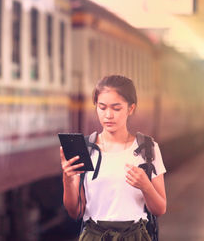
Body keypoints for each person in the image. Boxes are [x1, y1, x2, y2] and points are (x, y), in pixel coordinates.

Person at [60, 75, 166, 241]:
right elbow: (76, 212)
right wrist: (68, 180)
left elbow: (160, 209)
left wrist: (146, 186)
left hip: (135, 236)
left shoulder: (147, 148)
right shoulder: (86, 149)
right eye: (102, 107)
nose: (108, 115)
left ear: (130, 109)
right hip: (94, 236)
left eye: (116, 108)